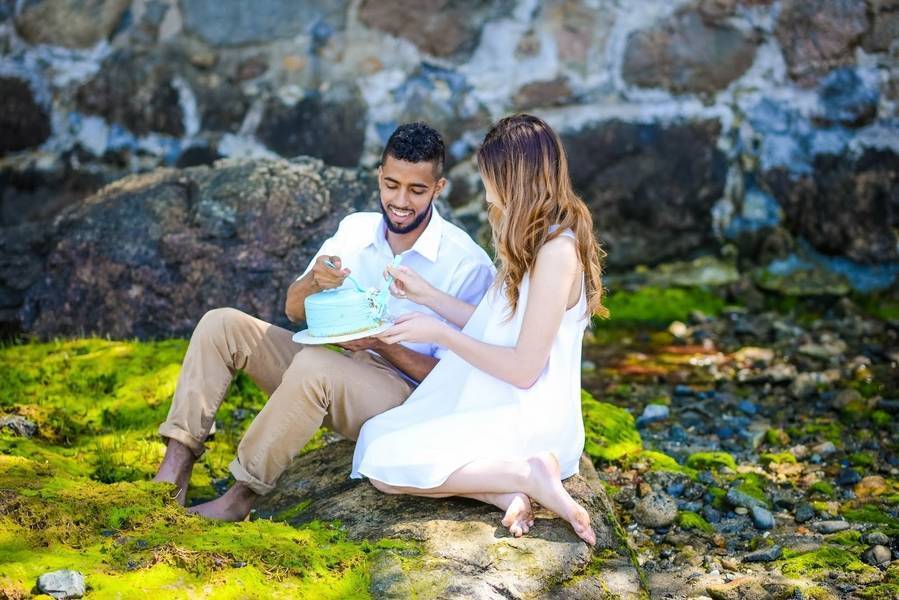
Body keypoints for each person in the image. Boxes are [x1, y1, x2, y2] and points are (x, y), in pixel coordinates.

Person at [153, 123, 495, 520]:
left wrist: (382, 343)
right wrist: (315, 280)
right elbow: (294, 310)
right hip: (337, 370)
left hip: (402, 397)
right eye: (391, 185)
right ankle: (174, 470)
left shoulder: (466, 264)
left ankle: (240, 497)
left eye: (416, 190)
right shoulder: (355, 229)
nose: (400, 200)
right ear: (379, 177)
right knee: (221, 324)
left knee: (316, 364)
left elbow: (455, 380)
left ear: (439, 188)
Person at [351, 114, 609, 544]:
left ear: (513, 176)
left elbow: (525, 369)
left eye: (488, 172)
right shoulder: (528, 234)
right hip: (501, 402)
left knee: (382, 463)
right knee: (378, 437)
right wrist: (427, 295)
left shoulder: (556, 251)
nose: (483, 182)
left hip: (532, 417)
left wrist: (439, 334)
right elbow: (495, 324)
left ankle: (526, 471)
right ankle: (507, 490)